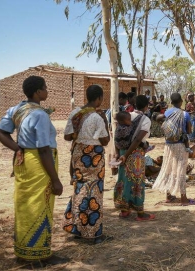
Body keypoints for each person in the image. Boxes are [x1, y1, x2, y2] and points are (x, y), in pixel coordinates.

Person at [0, 76, 67, 266]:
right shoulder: (40, 115)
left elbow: (0, 131)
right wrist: (56, 180)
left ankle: (24, 251)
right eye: (45, 88)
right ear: (37, 92)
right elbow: (44, 149)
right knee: (40, 206)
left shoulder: (16, 109)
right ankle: (37, 255)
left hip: (24, 162)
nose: (47, 91)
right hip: (40, 164)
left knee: (25, 205)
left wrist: (18, 149)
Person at [62, 85, 112, 244]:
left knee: (80, 189)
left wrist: (81, 135)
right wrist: (104, 121)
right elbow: (104, 141)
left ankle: (77, 227)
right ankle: (92, 233)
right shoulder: (97, 117)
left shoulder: (75, 113)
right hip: (93, 156)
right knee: (94, 191)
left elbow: (67, 137)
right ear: (98, 98)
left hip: (78, 154)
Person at [113, 95, 155, 221]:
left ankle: (124, 210)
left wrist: (119, 154)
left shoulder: (127, 115)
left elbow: (117, 134)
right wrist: (127, 155)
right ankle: (140, 213)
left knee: (123, 179)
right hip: (134, 154)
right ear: (146, 106)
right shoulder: (145, 120)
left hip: (122, 152)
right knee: (137, 182)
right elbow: (137, 140)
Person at [153, 93, 195, 206]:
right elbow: (189, 131)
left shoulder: (166, 113)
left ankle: (168, 195)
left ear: (171, 102)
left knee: (168, 169)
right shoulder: (184, 114)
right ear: (181, 101)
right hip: (180, 145)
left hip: (168, 145)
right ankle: (183, 198)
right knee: (180, 171)